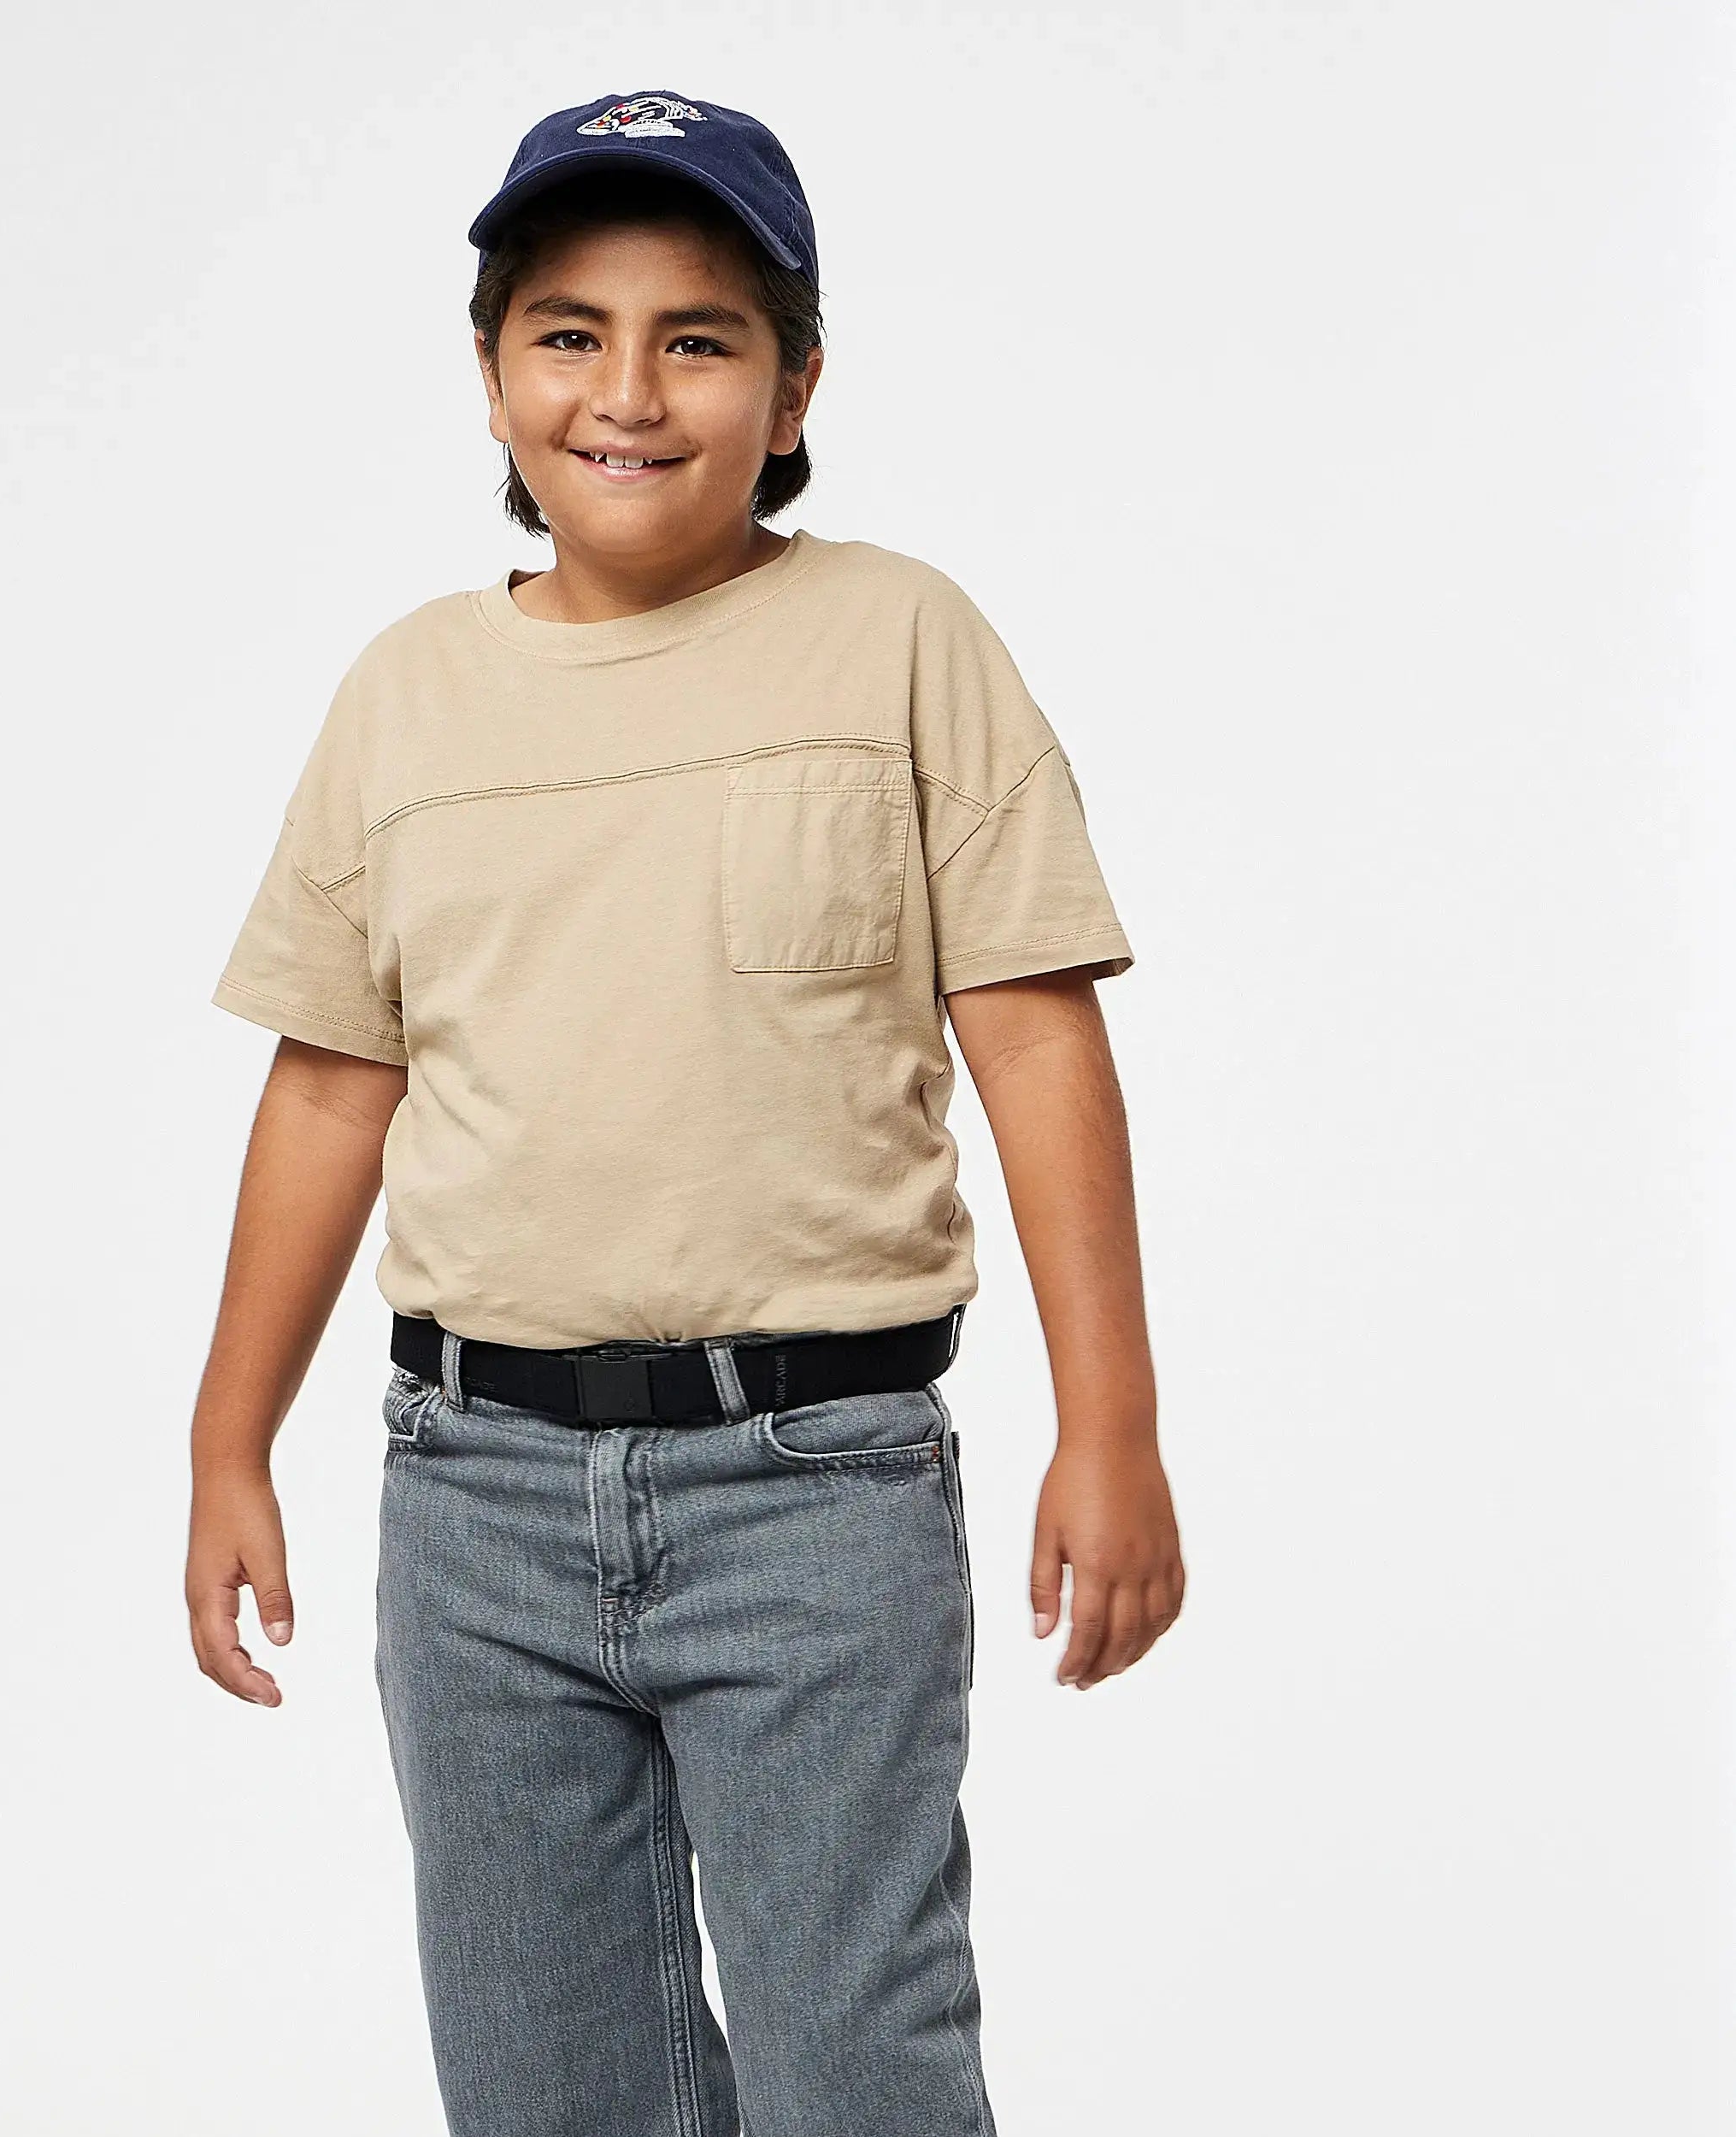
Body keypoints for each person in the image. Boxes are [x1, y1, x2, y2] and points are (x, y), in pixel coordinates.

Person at [185, 86, 1183, 2137]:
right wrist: (225, 1438)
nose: (625, 391)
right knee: (552, 2085)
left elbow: (1033, 1038)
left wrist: (1115, 1424)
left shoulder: (897, 638)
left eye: (697, 336)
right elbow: (328, 1080)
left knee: (854, 2067)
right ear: (487, 375)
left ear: (794, 378)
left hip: (809, 1486)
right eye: (568, 332)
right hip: (468, 1499)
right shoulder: (407, 696)